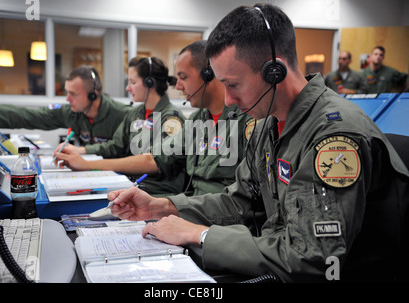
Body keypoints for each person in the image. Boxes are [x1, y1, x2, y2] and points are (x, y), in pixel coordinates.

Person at [108, 3, 409, 282]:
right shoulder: (268, 125)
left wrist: (201, 235)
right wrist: (163, 206)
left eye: (233, 84)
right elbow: (239, 201)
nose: (228, 100)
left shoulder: (334, 139)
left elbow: (314, 258)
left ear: (274, 71)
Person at [55, 40, 252, 196]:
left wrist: (87, 163)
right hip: (189, 205)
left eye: (183, 77)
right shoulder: (196, 120)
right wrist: (84, 159)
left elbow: (155, 164)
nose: (179, 86)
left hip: (183, 202)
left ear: (209, 74)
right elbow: (150, 157)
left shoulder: (247, 121)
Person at [55, 56, 186, 195]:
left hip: (157, 193)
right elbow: (114, 147)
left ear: (149, 83)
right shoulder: (136, 113)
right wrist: (80, 151)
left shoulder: (172, 118)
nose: (128, 88)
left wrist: (86, 164)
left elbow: (152, 162)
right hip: (131, 184)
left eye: (133, 82)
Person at [0, 66, 131, 150]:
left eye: (74, 94)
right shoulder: (73, 112)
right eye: (67, 92)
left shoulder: (123, 115)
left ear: (93, 95)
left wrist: (81, 151)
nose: (67, 99)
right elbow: (29, 115)